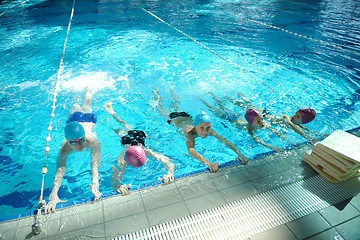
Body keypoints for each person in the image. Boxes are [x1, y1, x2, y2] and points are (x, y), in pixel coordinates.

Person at [154, 89, 248, 172]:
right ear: (195, 127)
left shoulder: (208, 129)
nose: (205, 131)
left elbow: (224, 141)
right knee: (159, 107)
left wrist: (240, 154)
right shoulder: (190, 133)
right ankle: (156, 92)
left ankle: (172, 90)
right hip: (173, 120)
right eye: (201, 128)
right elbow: (191, 151)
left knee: (175, 103)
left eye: (208, 128)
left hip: (186, 116)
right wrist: (208, 163)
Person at [45, 88, 102, 214]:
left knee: (88, 104)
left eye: (81, 140)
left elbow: (95, 165)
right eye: (74, 143)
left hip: (88, 119)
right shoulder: (64, 149)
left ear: (84, 137)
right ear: (68, 142)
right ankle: (76, 94)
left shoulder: (92, 142)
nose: (79, 145)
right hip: (73, 119)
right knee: (75, 105)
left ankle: (88, 91)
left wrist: (95, 186)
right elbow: (59, 171)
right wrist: (53, 196)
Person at [104, 102, 175, 195]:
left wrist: (170, 172)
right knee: (121, 129)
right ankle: (113, 115)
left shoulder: (147, 151)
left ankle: (113, 114)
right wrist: (118, 186)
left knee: (125, 127)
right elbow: (115, 176)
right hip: (128, 142)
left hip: (140, 137)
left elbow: (168, 162)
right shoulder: (123, 158)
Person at [201, 94, 291, 153]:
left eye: (262, 119)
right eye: (258, 121)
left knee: (222, 107)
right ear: (251, 123)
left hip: (237, 115)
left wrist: (288, 141)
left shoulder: (262, 123)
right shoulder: (250, 128)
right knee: (213, 108)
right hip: (230, 119)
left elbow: (276, 131)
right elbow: (257, 140)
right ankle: (205, 99)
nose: (262, 122)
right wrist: (271, 146)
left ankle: (214, 96)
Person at [229, 94, 318, 143]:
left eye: (298, 116)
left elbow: (299, 126)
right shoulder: (287, 118)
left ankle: (240, 97)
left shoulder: (298, 123)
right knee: (245, 105)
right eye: (296, 113)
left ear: (303, 121)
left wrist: (311, 132)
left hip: (265, 115)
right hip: (263, 115)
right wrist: (307, 137)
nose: (294, 115)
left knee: (248, 104)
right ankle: (232, 98)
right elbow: (294, 127)